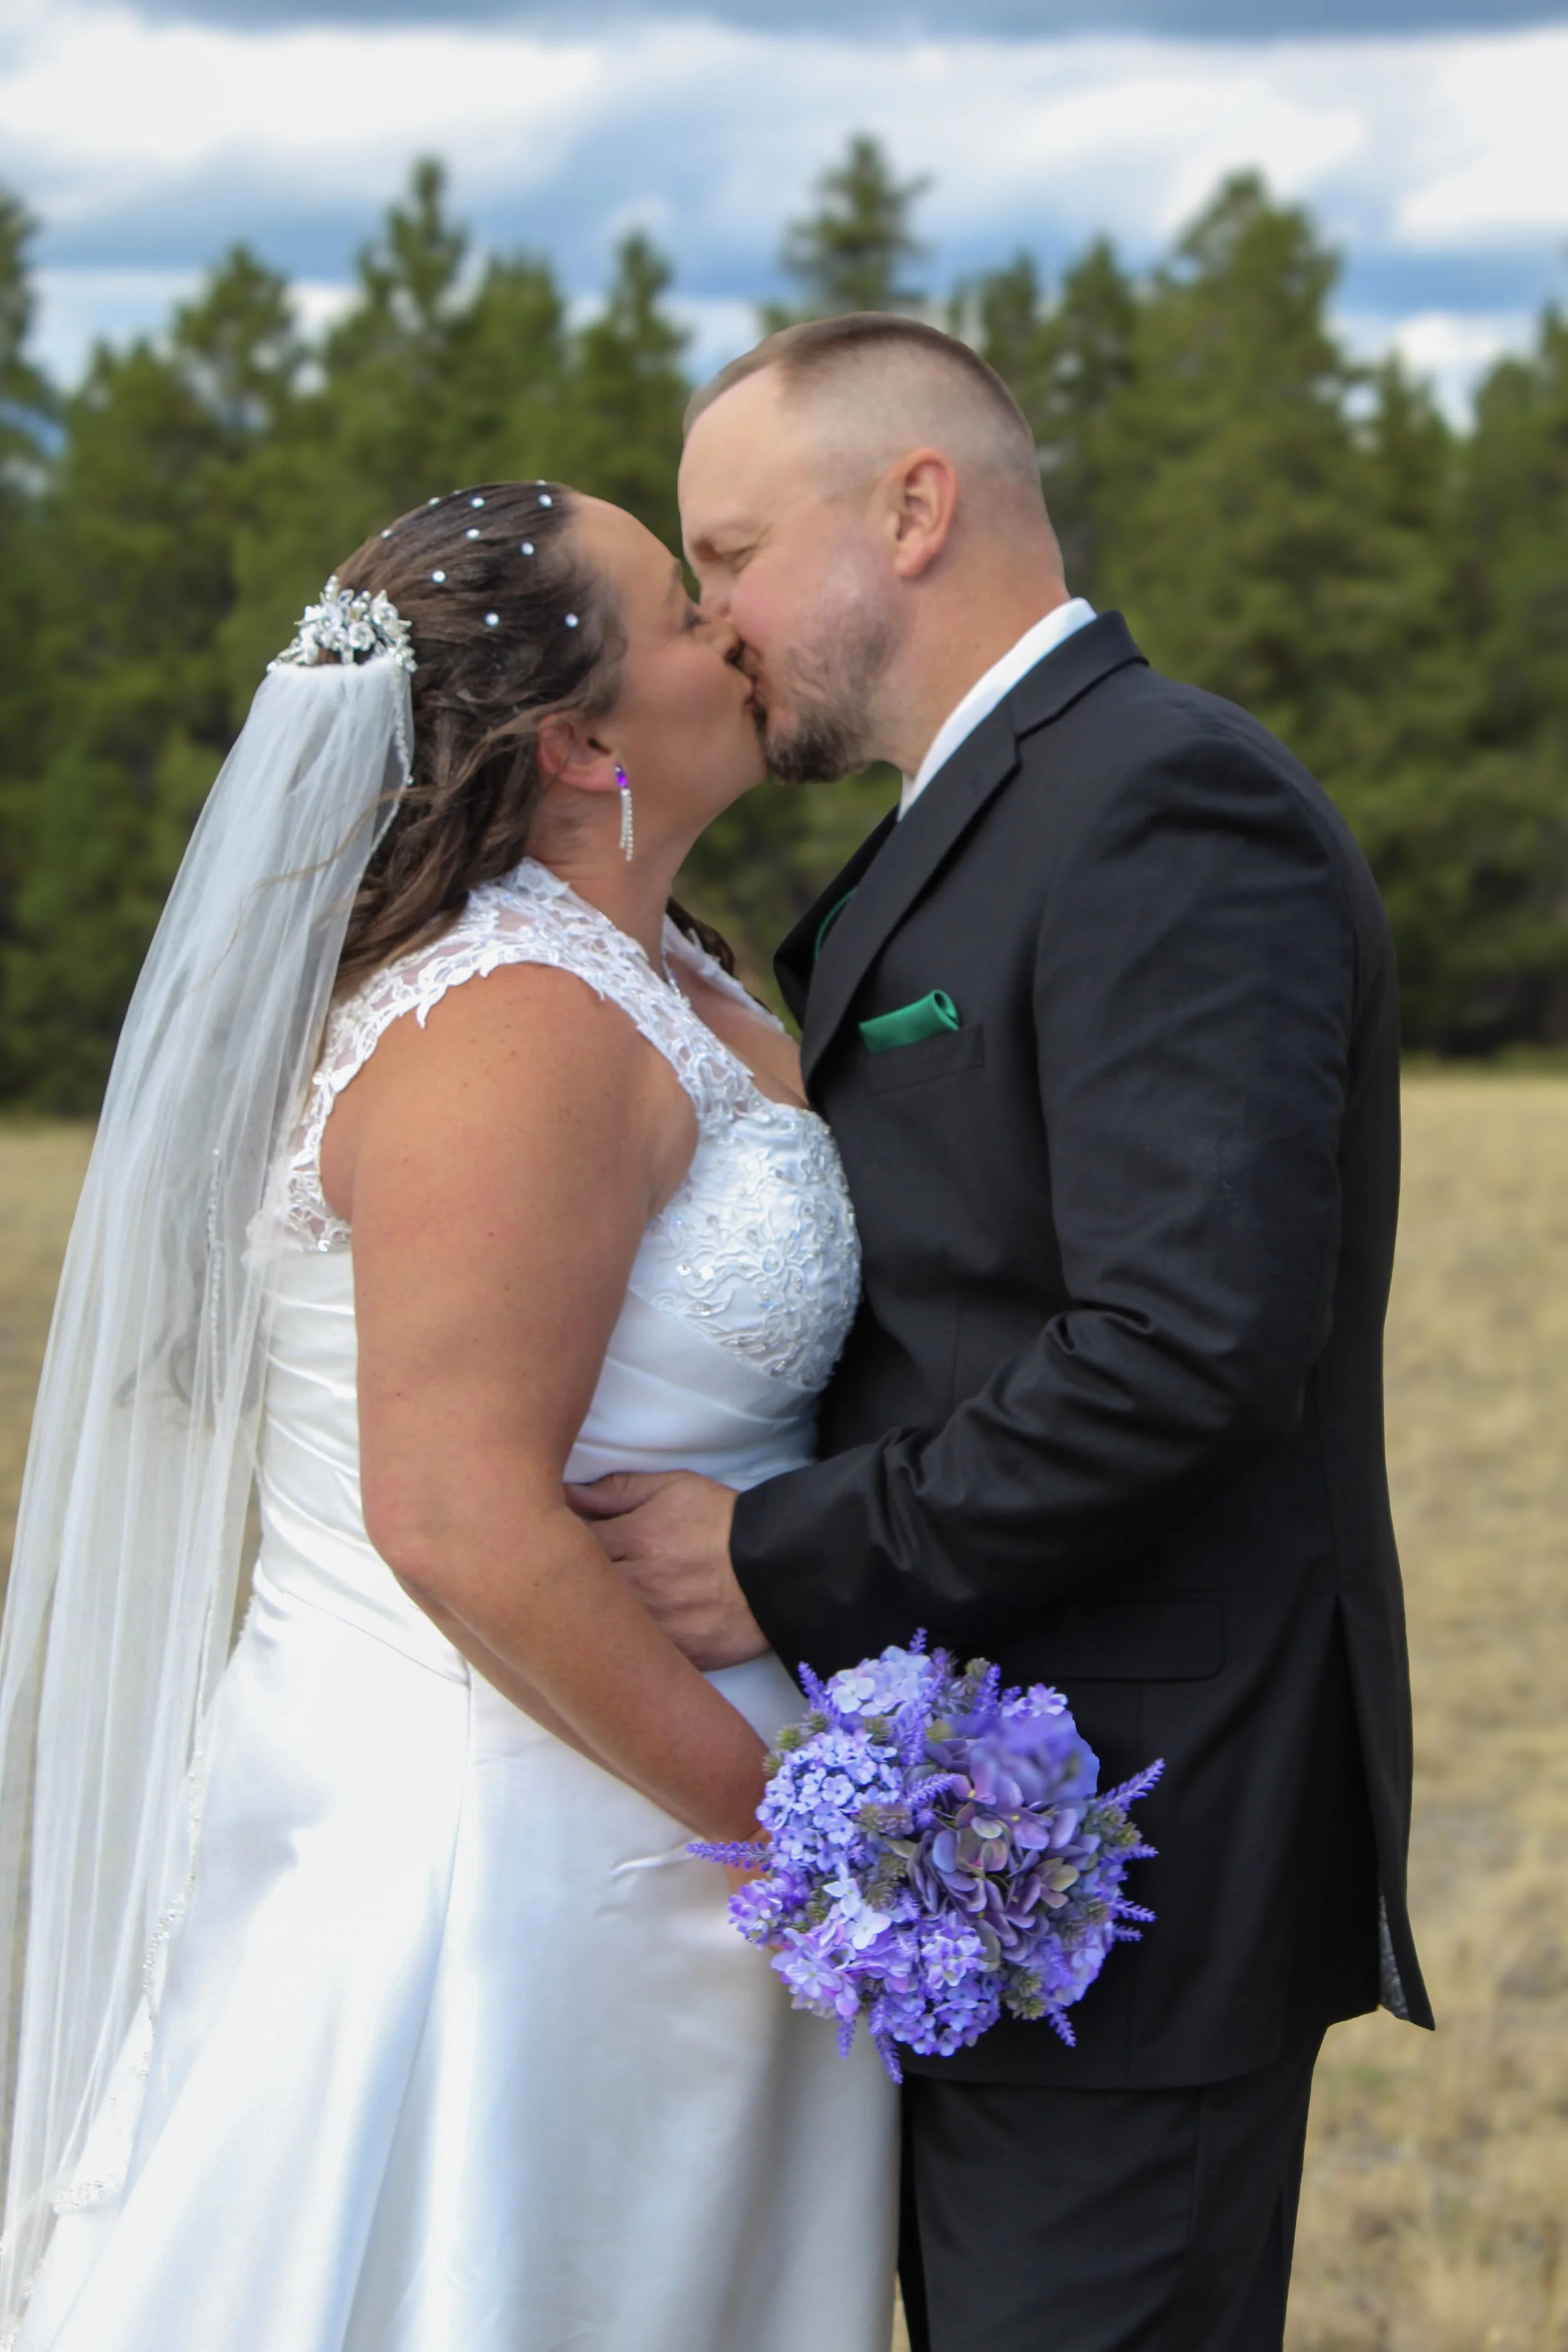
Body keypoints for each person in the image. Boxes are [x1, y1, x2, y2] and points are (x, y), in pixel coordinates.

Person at [573, 314, 1435, 2352]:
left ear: (914, 506)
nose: (710, 622)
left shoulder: (1159, 807)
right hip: (953, 1838)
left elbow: (1187, 1344)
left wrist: (769, 1555)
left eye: (730, 553)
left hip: (1131, 1843)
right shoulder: (976, 821)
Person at [0, 481, 896, 2352]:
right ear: (577, 739)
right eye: (679, 606)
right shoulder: (514, 1024)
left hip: (668, 1846)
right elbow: (457, 1514)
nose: (729, 628)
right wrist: (811, 1846)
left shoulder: (681, 974)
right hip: (525, 1853)